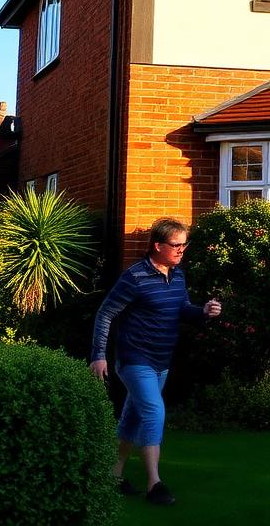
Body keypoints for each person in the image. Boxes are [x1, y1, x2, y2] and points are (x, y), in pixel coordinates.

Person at [91, 217, 221, 506]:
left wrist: (204, 312)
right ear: (158, 246)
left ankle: (112, 475)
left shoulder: (178, 275)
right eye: (176, 245)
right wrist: (99, 355)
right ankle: (155, 484)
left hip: (162, 359)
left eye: (185, 245)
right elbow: (105, 314)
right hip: (134, 358)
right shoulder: (135, 277)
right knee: (153, 412)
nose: (181, 250)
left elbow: (182, 310)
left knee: (134, 417)